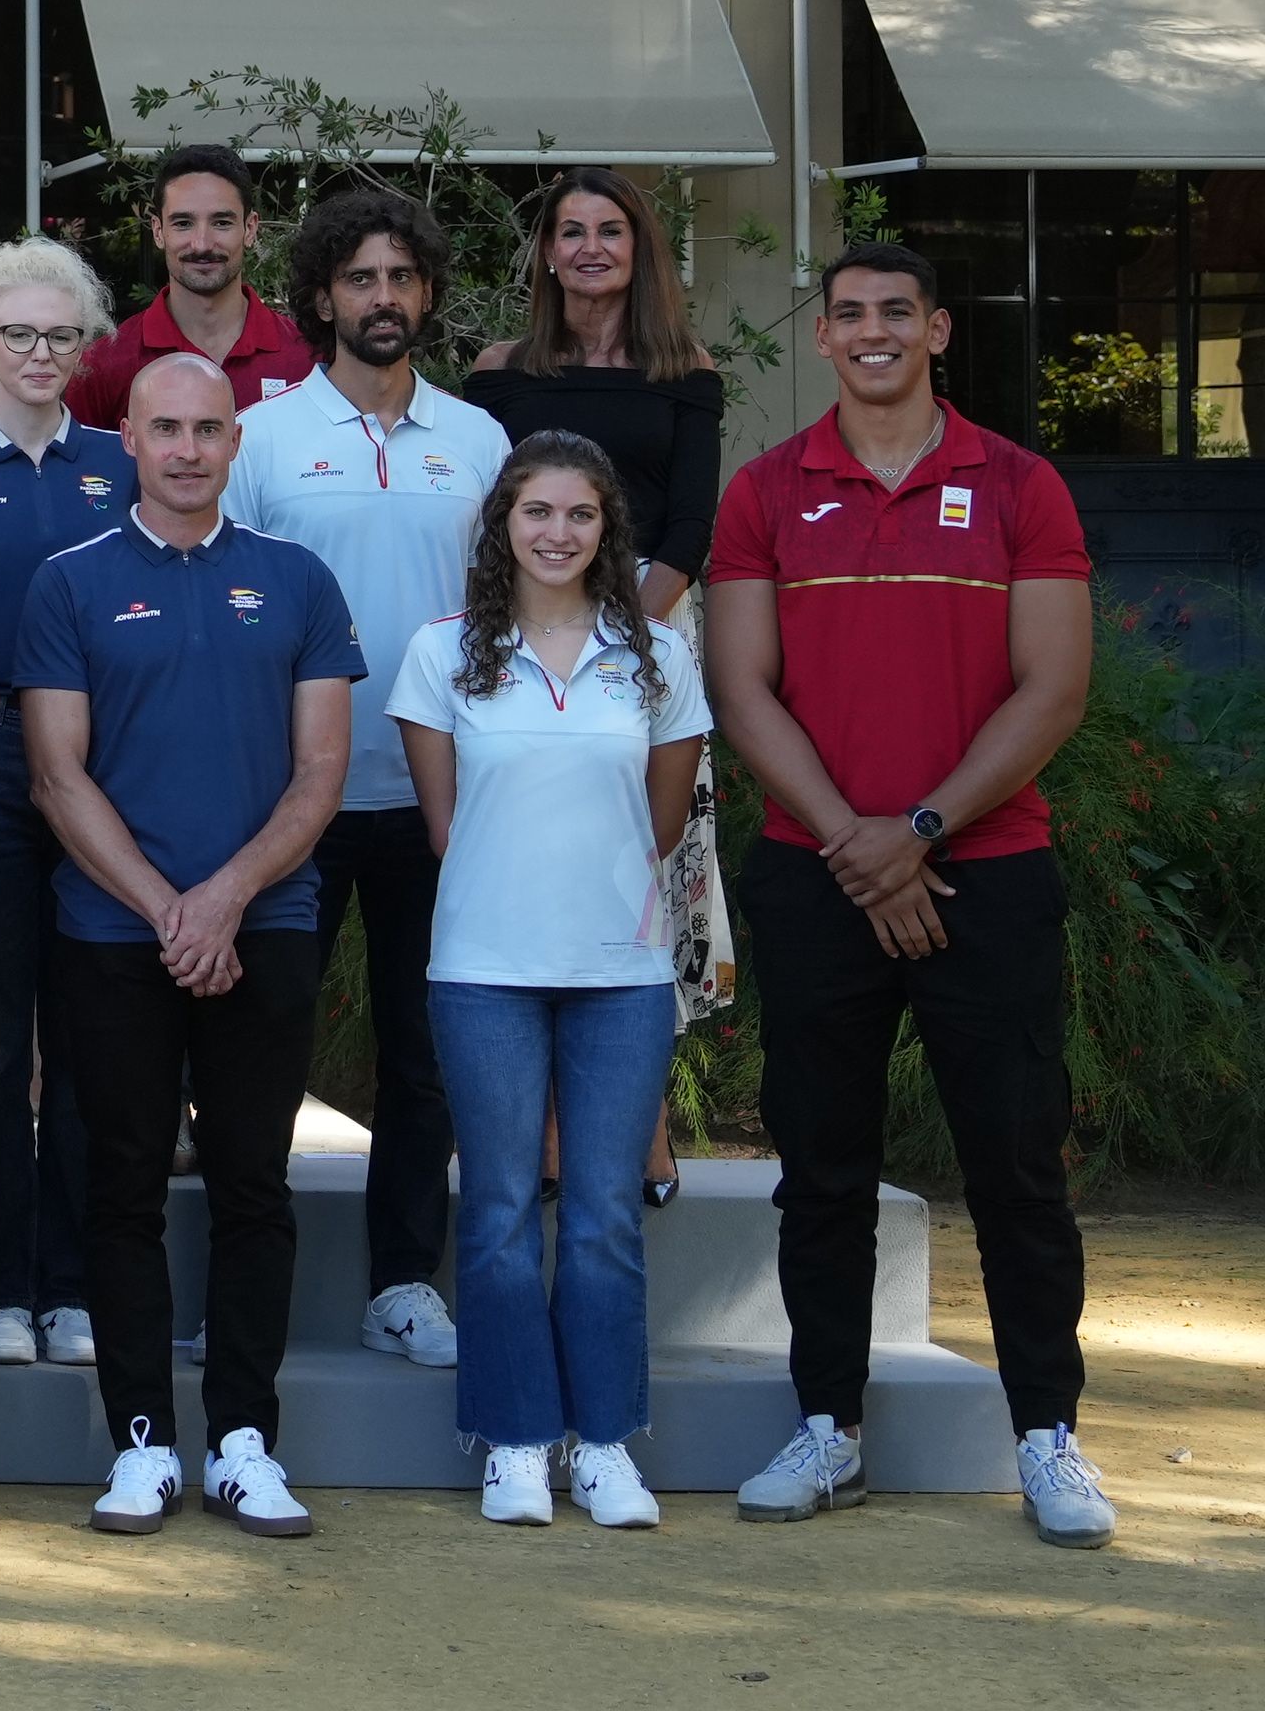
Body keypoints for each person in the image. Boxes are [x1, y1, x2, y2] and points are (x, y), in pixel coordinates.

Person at [706, 243, 1112, 1546]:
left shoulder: (1019, 484)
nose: (873, 332)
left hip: (986, 872)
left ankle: (1047, 1433)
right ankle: (830, 1428)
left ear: (938, 328)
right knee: (821, 1170)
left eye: (897, 312)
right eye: (849, 315)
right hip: (819, 874)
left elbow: (1052, 689)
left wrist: (922, 829)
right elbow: (740, 690)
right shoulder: (767, 491)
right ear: (821, 338)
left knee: (1016, 1165)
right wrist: (857, 844)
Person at [17, 351, 363, 1545]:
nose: (186, 449)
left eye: (209, 429)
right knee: (118, 1189)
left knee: (254, 1187)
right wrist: (172, 909)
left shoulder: (298, 579)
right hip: (113, 935)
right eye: (164, 428)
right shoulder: (68, 583)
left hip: (262, 927)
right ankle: (141, 1445)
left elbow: (321, 772)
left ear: (235, 443)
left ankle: (246, 1442)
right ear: (129, 438)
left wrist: (221, 900)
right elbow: (58, 778)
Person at [389, 432, 705, 1532]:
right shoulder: (441, 656)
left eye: (580, 514)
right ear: (502, 527)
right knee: (501, 1206)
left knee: (608, 1210)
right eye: (537, 513)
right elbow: (446, 826)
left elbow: (659, 822)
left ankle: (607, 1440)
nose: (559, 533)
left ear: (607, 528)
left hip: (619, 970)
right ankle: (517, 1439)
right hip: (482, 968)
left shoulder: (657, 656)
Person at [227, 185, 502, 1370]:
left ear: (426, 293)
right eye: (358, 280)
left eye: (400, 278)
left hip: (438, 798)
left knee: (421, 1052)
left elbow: (510, 609)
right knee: (263, 1041)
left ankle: (402, 1283)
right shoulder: (264, 437)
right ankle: (249, 1285)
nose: (381, 299)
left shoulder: (480, 442)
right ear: (321, 296)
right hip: (295, 798)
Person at [466, 166, 737, 1201]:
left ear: (639, 252)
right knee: (527, 863)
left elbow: (692, 528)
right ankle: (537, 1127)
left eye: (609, 232)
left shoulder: (686, 371)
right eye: (569, 231)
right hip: (522, 642)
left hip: (650, 640)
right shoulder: (500, 372)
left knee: (650, 870)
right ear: (547, 253)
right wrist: (549, 624)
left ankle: (645, 1121)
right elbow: (495, 523)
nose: (588, 248)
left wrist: (621, 631)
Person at [0, 237, 133, 1374]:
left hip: (108, 766)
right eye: (18, 335)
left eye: (62, 335)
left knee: (94, 1038)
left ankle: (74, 1286)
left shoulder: (127, 464)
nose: (41, 354)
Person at [68, 146, 318, 430]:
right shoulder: (104, 365)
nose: (201, 243)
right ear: (158, 231)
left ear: (250, 229)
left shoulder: (308, 361)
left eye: (221, 222)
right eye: (183, 223)